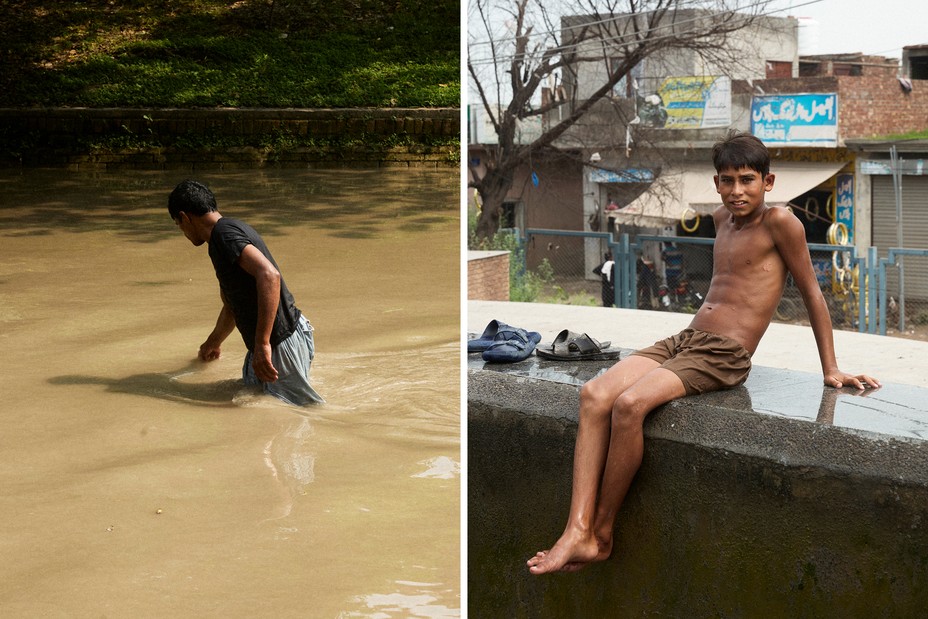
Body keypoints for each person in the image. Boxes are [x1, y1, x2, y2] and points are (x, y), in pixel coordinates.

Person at [526, 131, 879, 575]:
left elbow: (812, 293)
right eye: (727, 181)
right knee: (595, 395)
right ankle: (574, 529)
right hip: (687, 339)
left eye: (747, 180)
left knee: (631, 405)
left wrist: (831, 368)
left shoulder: (781, 223)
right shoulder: (719, 219)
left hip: (725, 354)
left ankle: (600, 533)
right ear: (716, 184)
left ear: (767, 183)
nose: (737, 191)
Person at [168, 180, 324, 406]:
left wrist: (262, 344)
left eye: (178, 225)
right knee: (251, 403)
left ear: (184, 217)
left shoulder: (224, 234)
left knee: (305, 412)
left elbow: (269, 276)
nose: (182, 231)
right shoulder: (224, 236)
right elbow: (233, 305)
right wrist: (212, 343)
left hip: (280, 342)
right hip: (279, 339)